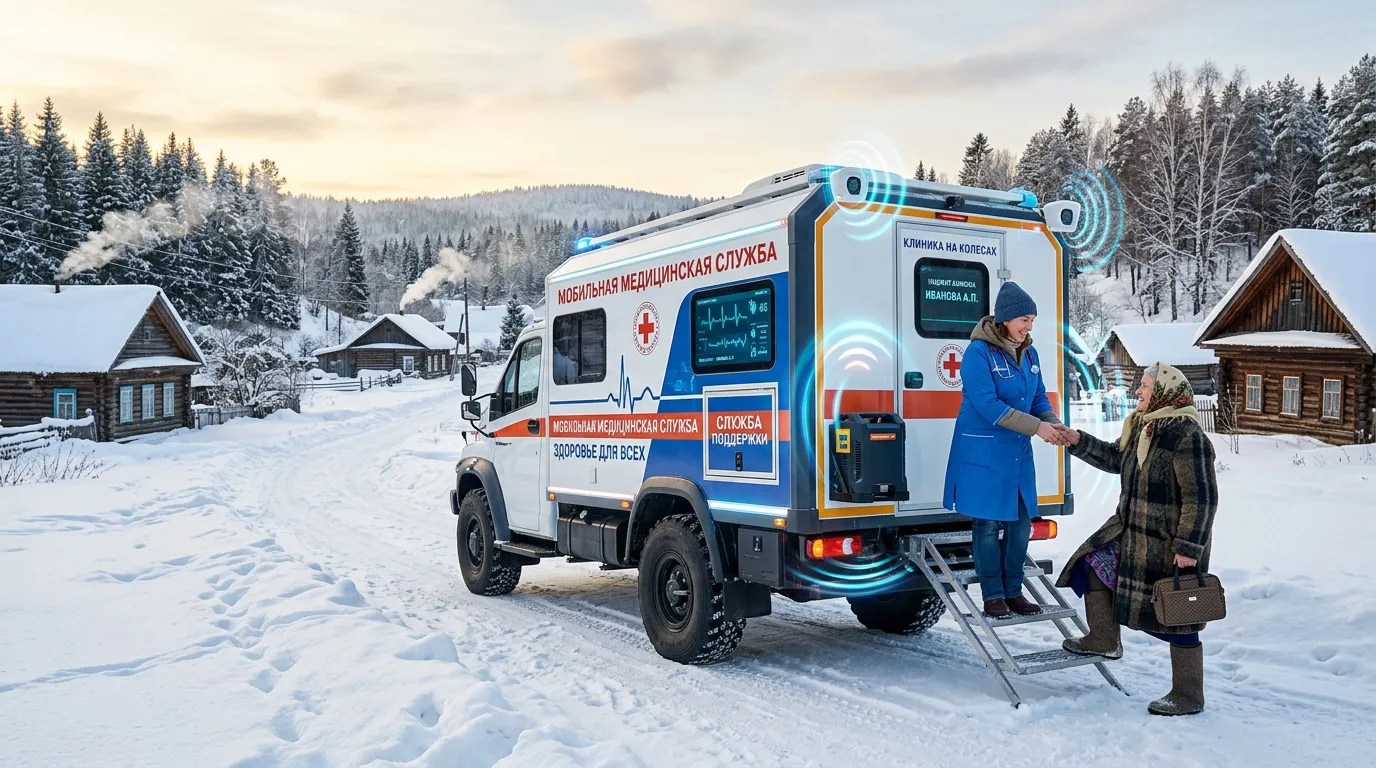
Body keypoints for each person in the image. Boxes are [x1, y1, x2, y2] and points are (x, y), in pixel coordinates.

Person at [1053, 362, 1219, 716]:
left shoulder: (1188, 436)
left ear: (1164, 391)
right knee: (1091, 564)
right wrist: (1078, 440)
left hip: (1168, 544)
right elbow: (1115, 457)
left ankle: (1188, 695)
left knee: (1178, 612)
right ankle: (1103, 639)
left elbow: (1201, 497)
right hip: (1130, 533)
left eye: (1144, 386)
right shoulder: (1143, 428)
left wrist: (1189, 547)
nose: (1138, 392)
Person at [943, 282, 1068, 619]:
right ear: (1006, 319)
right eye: (1024, 320)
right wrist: (1036, 427)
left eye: (1032, 321)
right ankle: (993, 595)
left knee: (1020, 522)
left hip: (1016, 453)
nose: (1029, 327)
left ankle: (1014, 591)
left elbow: (1038, 396)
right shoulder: (978, 353)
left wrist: (1052, 423)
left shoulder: (1030, 353)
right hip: (983, 452)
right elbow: (987, 405)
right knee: (986, 524)